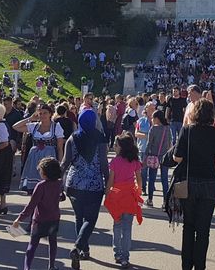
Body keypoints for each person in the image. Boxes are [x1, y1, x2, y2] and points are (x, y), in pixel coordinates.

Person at [173, 99, 215, 270]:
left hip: (189, 181)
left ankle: (186, 266)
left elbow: (177, 158)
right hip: (210, 182)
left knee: (188, 226)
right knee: (204, 229)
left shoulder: (187, 130)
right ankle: (200, 266)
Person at [62, 109, 108, 269]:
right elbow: (103, 163)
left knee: (78, 217)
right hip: (94, 185)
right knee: (90, 219)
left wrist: (55, 181)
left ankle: (84, 250)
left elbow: (65, 162)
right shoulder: (100, 137)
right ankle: (78, 247)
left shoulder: (73, 137)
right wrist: (108, 184)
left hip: (73, 183)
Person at [12, 157, 63, 270]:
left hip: (39, 220)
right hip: (54, 218)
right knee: (52, 242)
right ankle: (52, 266)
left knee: (32, 245)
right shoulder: (58, 183)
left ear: (45, 173)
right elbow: (60, 197)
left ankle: (27, 267)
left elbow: (31, 205)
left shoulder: (41, 186)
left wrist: (19, 219)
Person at [105, 133, 143, 269]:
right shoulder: (135, 161)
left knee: (117, 225)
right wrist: (139, 191)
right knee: (127, 228)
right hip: (130, 196)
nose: (114, 147)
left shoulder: (115, 162)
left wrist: (107, 192)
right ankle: (125, 256)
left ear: (121, 147)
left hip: (117, 195)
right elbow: (139, 179)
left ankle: (117, 253)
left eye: (116, 145)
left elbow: (111, 180)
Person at [14, 104, 65, 192]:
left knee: (49, 187)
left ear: (50, 114)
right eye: (40, 113)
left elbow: (60, 148)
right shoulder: (34, 126)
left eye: (45, 113)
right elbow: (15, 127)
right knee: (35, 188)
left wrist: (60, 164)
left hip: (49, 159)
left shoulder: (56, 127)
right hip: (34, 159)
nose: (42, 115)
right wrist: (30, 118)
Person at [144, 110, 172, 208]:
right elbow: (170, 142)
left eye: (153, 118)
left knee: (152, 178)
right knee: (165, 179)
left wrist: (145, 156)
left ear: (156, 119)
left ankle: (150, 199)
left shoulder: (153, 129)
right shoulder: (167, 128)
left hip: (154, 156)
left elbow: (149, 143)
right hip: (165, 156)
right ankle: (165, 202)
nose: (152, 119)